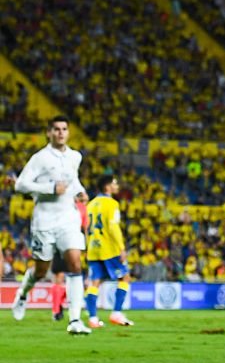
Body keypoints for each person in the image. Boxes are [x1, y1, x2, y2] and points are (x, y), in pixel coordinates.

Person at [12, 116, 91, 334]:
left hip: (68, 218)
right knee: (41, 270)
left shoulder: (75, 156)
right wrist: (49, 188)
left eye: (64, 129)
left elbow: (72, 180)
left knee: (75, 262)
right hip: (44, 220)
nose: (60, 133)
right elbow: (20, 184)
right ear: (49, 133)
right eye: (56, 129)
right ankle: (23, 294)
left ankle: (75, 320)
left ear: (68, 132)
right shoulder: (40, 158)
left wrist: (79, 191)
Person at [85, 175, 134, 327]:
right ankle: (116, 313)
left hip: (93, 247)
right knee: (125, 278)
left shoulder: (91, 204)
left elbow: (86, 228)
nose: (117, 186)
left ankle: (93, 318)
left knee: (94, 282)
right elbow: (113, 227)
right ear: (107, 187)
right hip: (109, 248)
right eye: (114, 183)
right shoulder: (112, 203)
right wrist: (121, 248)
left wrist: (89, 246)